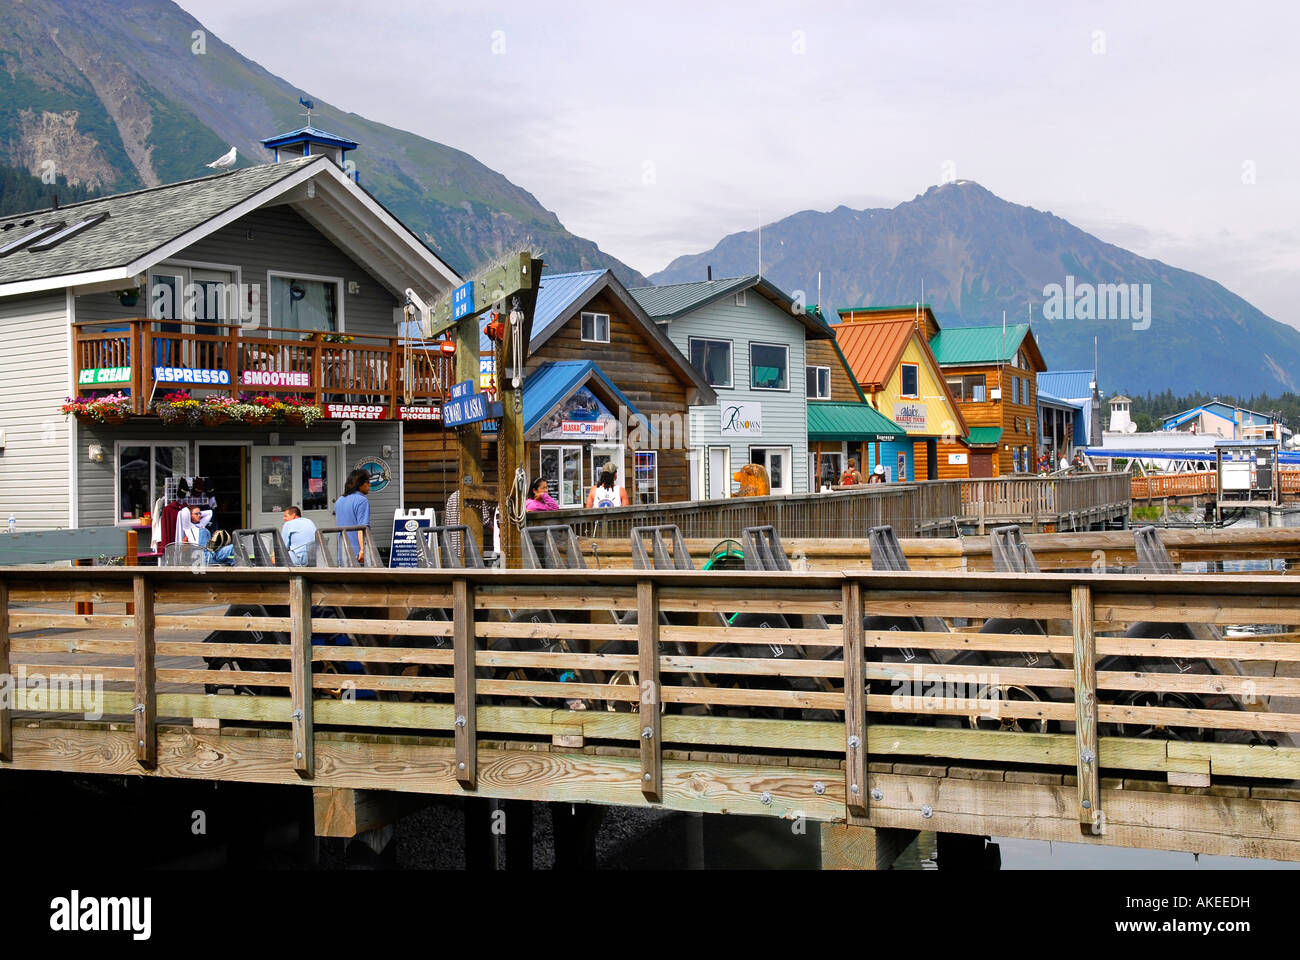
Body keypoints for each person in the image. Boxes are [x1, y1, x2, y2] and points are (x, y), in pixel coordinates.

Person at [335, 469, 372, 565]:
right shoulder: (362, 501)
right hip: (357, 553)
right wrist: (363, 550)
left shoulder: (340, 500)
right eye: (367, 482)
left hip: (342, 552)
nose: (369, 485)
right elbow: (362, 528)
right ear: (359, 483)